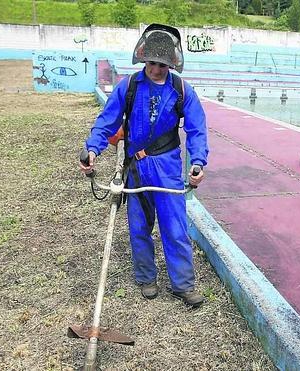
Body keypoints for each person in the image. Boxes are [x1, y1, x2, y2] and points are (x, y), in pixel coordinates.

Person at [79, 24, 209, 308]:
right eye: (152, 63)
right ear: (143, 60)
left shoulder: (181, 90)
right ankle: (146, 277)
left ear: (171, 63)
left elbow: (198, 129)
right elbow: (107, 120)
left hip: (167, 168)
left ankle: (183, 285)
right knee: (139, 227)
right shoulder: (129, 87)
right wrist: (92, 148)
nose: (156, 69)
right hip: (136, 169)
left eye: (162, 64)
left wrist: (198, 161)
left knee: (174, 227)